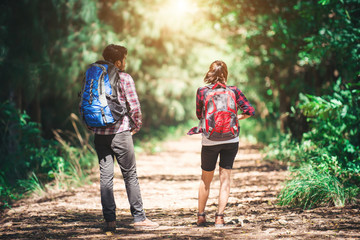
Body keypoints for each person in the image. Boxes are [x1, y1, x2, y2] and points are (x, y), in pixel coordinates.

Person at [90, 44, 158, 232]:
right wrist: (135, 125)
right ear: (118, 62)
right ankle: (139, 218)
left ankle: (110, 221)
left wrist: (93, 126)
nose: (125, 63)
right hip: (120, 132)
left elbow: (85, 104)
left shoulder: (94, 77)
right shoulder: (124, 77)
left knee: (106, 176)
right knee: (130, 175)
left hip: (99, 134)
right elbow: (134, 106)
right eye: (124, 59)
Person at [194, 60, 255, 227]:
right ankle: (219, 217)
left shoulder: (202, 91)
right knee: (225, 178)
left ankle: (201, 216)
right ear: (225, 74)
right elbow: (250, 111)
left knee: (205, 179)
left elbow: (200, 114)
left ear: (210, 73)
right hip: (231, 139)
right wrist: (235, 118)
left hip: (210, 140)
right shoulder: (234, 91)